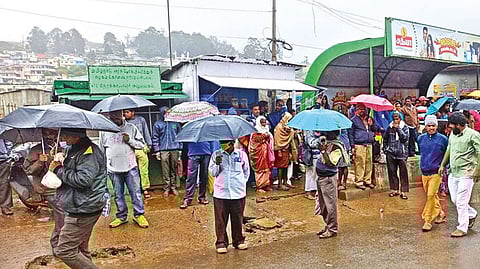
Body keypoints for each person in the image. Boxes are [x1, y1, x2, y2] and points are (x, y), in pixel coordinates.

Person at [49, 128, 107, 269]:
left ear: (76, 135)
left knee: (65, 250)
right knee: (81, 249)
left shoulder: (89, 152)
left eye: (65, 134)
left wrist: (58, 170)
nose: (62, 137)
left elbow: (83, 180)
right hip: (79, 203)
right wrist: (60, 159)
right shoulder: (74, 149)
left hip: (83, 207)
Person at [100, 110, 149, 229]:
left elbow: (141, 145)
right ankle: (121, 216)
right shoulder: (104, 131)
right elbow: (102, 148)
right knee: (118, 194)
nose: (114, 120)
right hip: (113, 168)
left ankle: (139, 215)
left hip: (130, 167)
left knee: (136, 192)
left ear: (121, 116)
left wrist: (130, 140)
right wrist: (103, 166)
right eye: (112, 118)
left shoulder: (131, 128)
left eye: (117, 118)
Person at [24, 128, 65, 254]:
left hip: (62, 186)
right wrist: (39, 162)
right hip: (47, 189)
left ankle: (64, 244)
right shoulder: (36, 149)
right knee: (61, 214)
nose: (49, 135)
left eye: (52, 132)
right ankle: (56, 244)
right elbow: (28, 170)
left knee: (65, 214)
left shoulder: (61, 147)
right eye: (46, 132)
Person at [439, 112, 480, 237]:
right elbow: (449, 149)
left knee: (461, 201)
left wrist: (478, 170)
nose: (449, 129)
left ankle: (462, 227)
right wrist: (442, 164)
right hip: (453, 171)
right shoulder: (453, 134)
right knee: (455, 200)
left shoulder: (473, 135)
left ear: (459, 125)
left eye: (452, 127)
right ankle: (471, 214)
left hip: (467, 172)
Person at [209, 140, 249, 254]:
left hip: (238, 193)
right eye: (221, 142)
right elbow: (213, 173)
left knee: (237, 218)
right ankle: (221, 242)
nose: (223, 144)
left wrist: (240, 183)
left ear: (231, 143)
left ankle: (238, 241)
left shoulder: (241, 154)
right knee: (221, 220)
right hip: (221, 193)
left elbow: (246, 172)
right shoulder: (216, 154)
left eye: (225, 142)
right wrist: (218, 163)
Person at [314, 130, 349, 239]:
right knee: (323, 203)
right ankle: (328, 225)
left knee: (330, 205)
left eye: (328, 132)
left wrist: (324, 152)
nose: (325, 134)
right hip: (321, 177)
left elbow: (332, 163)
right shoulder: (327, 143)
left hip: (328, 178)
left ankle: (332, 228)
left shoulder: (337, 147)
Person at [417, 115, 448, 232]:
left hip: (436, 172)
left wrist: (444, 166)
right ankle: (440, 213)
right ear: (425, 126)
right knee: (432, 196)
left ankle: (427, 220)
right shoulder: (420, 138)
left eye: (433, 125)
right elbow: (421, 152)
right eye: (429, 126)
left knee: (430, 195)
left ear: (437, 126)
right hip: (425, 172)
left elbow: (447, 153)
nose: (431, 128)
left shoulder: (443, 139)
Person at [152, 106, 182, 196]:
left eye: (168, 112)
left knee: (173, 169)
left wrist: (180, 149)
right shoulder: (158, 124)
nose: (166, 113)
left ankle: (173, 187)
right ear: (161, 113)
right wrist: (157, 150)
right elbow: (155, 138)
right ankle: (166, 187)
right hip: (163, 150)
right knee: (165, 170)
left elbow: (180, 136)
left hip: (174, 149)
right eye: (164, 112)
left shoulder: (176, 123)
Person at [180, 141, 219, 209]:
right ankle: (188, 198)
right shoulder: (190, 130)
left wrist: (214, 153)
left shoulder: (208, 130)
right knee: (190, 177)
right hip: (193, 153)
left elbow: (213, 141)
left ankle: (202, 197)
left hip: (206, 152)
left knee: (204, 176)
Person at [124, 109, 153, 198]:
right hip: (129, 148)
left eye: (127, 112)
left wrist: (149, 144)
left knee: (143, 170)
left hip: (141, 147)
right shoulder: (123, 122)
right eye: (124, 112)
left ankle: (145, 189)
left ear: (133, 112)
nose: (125, 114)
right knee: (132, 170)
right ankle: (135, 189)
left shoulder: (141, 120)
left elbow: (146, 132)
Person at [348, 103, 375, 190]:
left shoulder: (369, 119)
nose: (362, 110)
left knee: (369, 163)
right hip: (359, 144)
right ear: (356, 110)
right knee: (360, 163)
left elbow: (376, 129)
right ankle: (359, 181)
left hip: (369, 144)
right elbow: (350, 134)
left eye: (363, 109)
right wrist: (352, 146)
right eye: (359, 109)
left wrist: (372, 124)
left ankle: (367, 180)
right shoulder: (353, 120)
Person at [383, 112, 410, 199]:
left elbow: (405, 138)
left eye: (397, 118)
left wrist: (398, 129)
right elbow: (385, 138)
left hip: (401, 153)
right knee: (392, 172)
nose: (395, 120)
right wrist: (385, 149)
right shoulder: (389, 128)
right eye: (394, 118)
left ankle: (403, 191)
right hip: (391, 153)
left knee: (403, 173)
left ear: (400, 119)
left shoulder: (405, 127)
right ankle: (394, 189)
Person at [249, 116, 275, 194]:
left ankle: (266, 185)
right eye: (262, 122)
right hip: (258, 154)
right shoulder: (255, 131)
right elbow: (255, 140)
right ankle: (259, 186)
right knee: (260, 170)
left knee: (267, 169)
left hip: (266, 153)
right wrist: (265, 136)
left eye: (265, 122)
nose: (264, 124)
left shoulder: (266, 129)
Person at [274, 112, 298, 191]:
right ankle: (280, 184)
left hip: (287, 149)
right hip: (280, 150)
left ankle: (285, 181)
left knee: (286, 166)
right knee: (280, 167)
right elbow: (277, 140)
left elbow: (291, 134)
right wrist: (279, 150)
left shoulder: (288, 128)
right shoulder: (279, 127)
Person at [304, 130, 321, 199]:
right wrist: (319, 140)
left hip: (319, 155)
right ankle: (308, 191)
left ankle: (315, 190)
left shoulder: (321, 131)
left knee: (317, 173)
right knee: (310, 173)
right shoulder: (309, 132)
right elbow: (311, 143)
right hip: (311, 156)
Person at [0, 138, 13, 215]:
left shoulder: (2, 127)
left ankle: (5, 206)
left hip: (2, 159)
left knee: (4, 183)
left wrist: (6, 153)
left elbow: (8, 140)